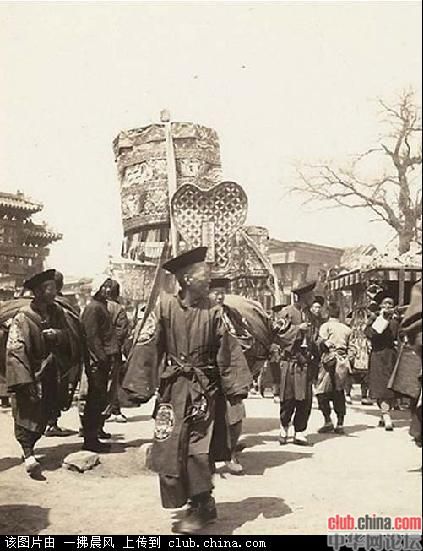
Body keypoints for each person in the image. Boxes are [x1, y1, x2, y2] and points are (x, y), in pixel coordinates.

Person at [122, 247, 252, 533]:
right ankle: (197, 502)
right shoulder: (164, 307)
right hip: (172, 392)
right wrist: (137, 386)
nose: (209, 280)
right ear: (187, 279)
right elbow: (147, 345)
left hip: (203, 391)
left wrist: (235, 389)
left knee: (197, 449)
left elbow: (228, 350)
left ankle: (201, 505)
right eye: (205, 275)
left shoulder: (214, 312)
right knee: (169, 449)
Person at [6, 269, 70, 477]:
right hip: (29, 373)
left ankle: (31, 446)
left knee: (44, 412)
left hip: (50, 371)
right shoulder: (23, 318)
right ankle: (28, 454)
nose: (54, 292)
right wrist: (24, 380)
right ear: (40, 291)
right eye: (51, 288)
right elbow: (16, 349)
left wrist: (57, 335)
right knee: (26, 411)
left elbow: (68, 335)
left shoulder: (56, 313)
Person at [80, 275, 119, 452]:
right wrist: (102, 358)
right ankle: (90, 440)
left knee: (99, 399)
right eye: (104, 287)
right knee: (94, 400)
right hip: (97, 362)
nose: (107, 290)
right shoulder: (93, 308)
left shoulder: (101, 306)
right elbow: (92, 337)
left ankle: (93, 436)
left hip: (102, 360)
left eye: (108, 287)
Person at [44, 270, 84, 436]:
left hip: (39, 355)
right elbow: (74, 332)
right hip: (59, 356)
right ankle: (51, 423)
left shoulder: (37, 303)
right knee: (55, 388)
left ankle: (45, 423)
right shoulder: (66, 306)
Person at [315, 302, 353, 435]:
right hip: (342, 361)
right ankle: (340, 423)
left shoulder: (325, 326)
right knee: (339, 391)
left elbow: (320, 343)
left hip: (328, 361)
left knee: (321, 391)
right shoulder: (346, 329)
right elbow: (352, 347)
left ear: (327, 313)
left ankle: (328, 420)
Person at [367, 296, 399, 431]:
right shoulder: (375, 319)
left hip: (390, 356)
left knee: (389, 386)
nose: (387, 306)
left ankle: (385, 414)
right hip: (378, 356)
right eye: (385, 303)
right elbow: (371, 334)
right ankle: (385, 415)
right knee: (380, 386)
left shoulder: (396, 321)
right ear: (380, 306)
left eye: (390, 304)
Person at [106, 279, 130, 423]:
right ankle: (112, 410)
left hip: (95, 351)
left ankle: (108, 410)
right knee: (112, 382)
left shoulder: (93, 306)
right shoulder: (118, 309)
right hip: (112, 351)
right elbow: (122, 331)